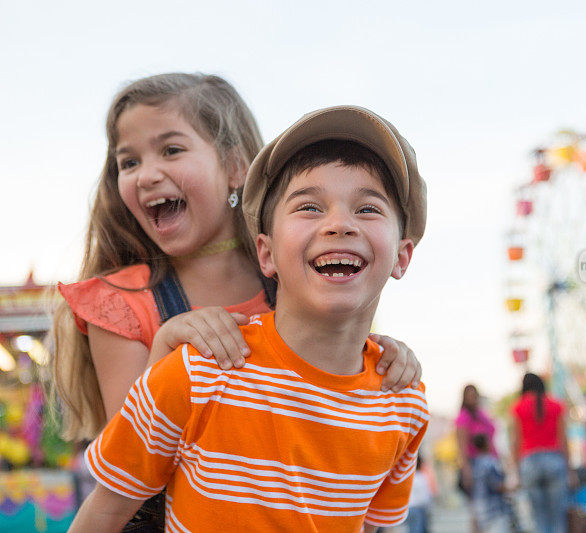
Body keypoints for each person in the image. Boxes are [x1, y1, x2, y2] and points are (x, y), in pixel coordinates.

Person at [52, 74, 421, 528]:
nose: (146, 173)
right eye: (128, 162)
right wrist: (165, 349)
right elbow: (133, 467)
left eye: (170, 150)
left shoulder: (301, 275)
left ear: (234, 166)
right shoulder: (122, 301)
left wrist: (388, 357)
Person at [510, 373, 570, 533]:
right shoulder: (556, 405)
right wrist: (570, 471)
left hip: (529, 463)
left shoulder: (518, 407)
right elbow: (563, 440)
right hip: (554, 460)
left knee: (539, 519)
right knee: (558, 518)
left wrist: (516, 472)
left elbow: (516, 442)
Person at [455, 384, 498, 531]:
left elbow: (492, 441)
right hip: (474, 466)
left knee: (493, 508)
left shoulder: (482, 415)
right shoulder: (463, 418)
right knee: (477, 511)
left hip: (489, 463)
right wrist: (466, 471)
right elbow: (461, 447)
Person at [471, 434, 512, 533]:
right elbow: (496, 484)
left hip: (480, 508)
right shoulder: (490, 462)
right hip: (494, 509)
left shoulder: (474, 463)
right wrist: (512, 488)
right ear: (486, 444)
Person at [406, 456, 437, 533]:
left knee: (411, 528)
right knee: (418, 529)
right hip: (419, 508)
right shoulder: (421, 477)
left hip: (408, 508)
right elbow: (425, 495)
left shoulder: (408, 476)